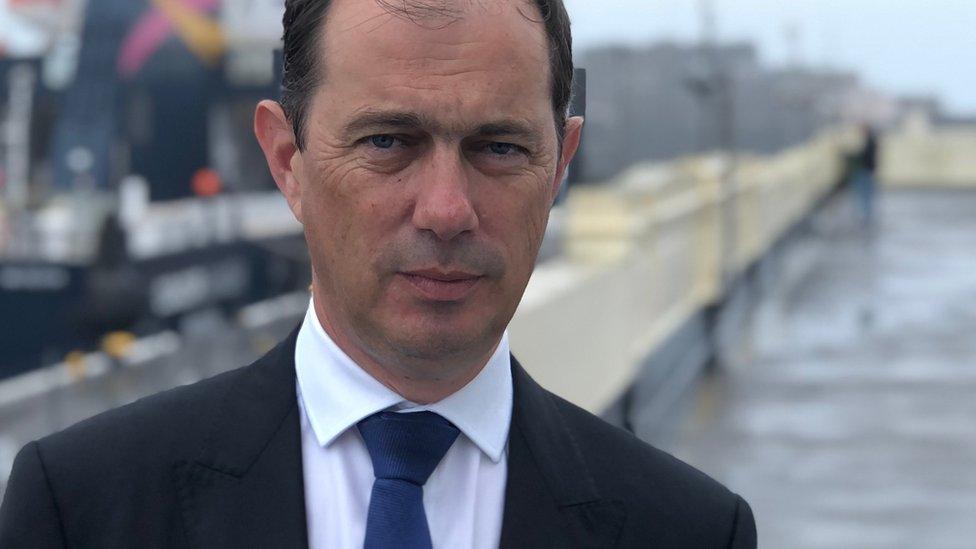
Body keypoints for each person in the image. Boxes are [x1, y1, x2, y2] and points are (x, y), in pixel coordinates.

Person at [0, 1, 757, 547]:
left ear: (561, 163)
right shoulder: (81, 507)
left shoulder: (690, 529)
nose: (446, 209)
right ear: (287, 161)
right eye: (389, 141)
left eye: (498, 148)